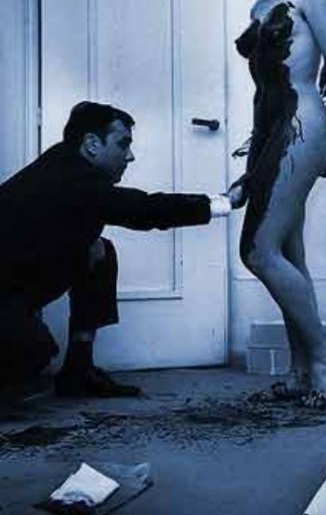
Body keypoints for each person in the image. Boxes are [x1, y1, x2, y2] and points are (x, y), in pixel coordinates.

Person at [216, 0, 326, 408]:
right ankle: (301, 372)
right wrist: (253, 160)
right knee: (288, 252)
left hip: (303, 124)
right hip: (270, 127)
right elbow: (263, 92)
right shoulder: (262, 5)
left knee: (257, 250)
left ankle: (324, 356)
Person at [0, 101, 233, 398]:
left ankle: (78, 372)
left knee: (98, 251)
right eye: (123, 144)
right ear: (92, 144)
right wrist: (222, 203)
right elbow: (144, 210)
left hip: (14, 285)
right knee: (34, 350)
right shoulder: (73, 180)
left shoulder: (65, 163)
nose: (130, 156)